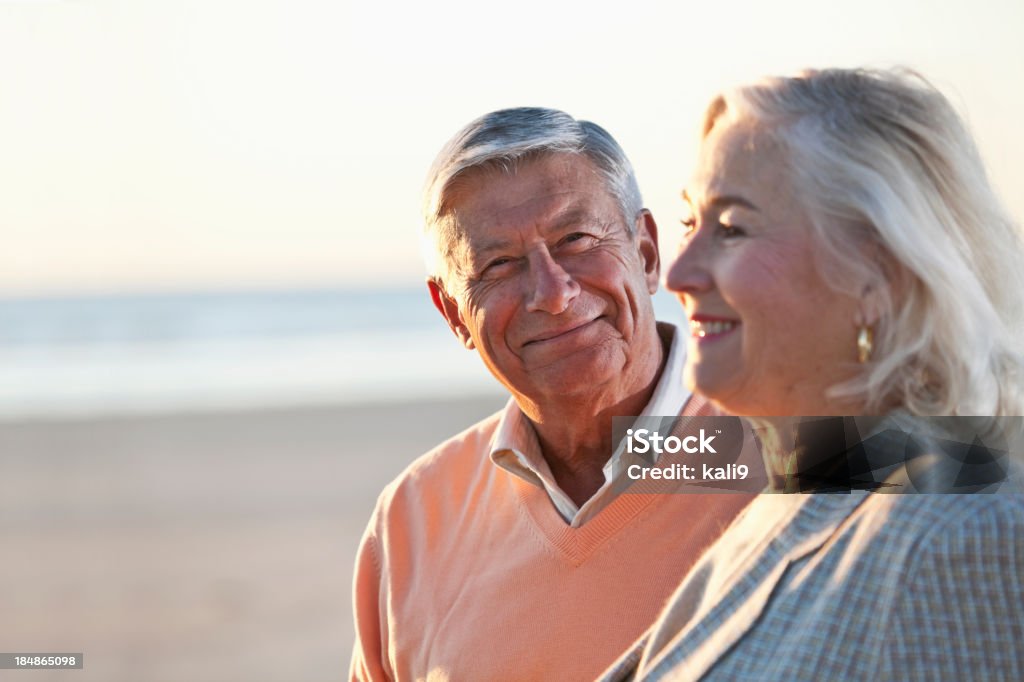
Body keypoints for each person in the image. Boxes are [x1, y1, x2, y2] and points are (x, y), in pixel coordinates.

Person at [600, 68, 1024, 681]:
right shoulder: (800, 498)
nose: (678, 275)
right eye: (691, 225)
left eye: (732, 228)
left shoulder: (964, 537)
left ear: (876, 276)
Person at [349, 108, 757, 681]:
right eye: (499, 264)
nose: (553, 292)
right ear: (453, 314)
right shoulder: (412, 518)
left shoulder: (811, 445)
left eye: (577, 239)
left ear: (645, 253)